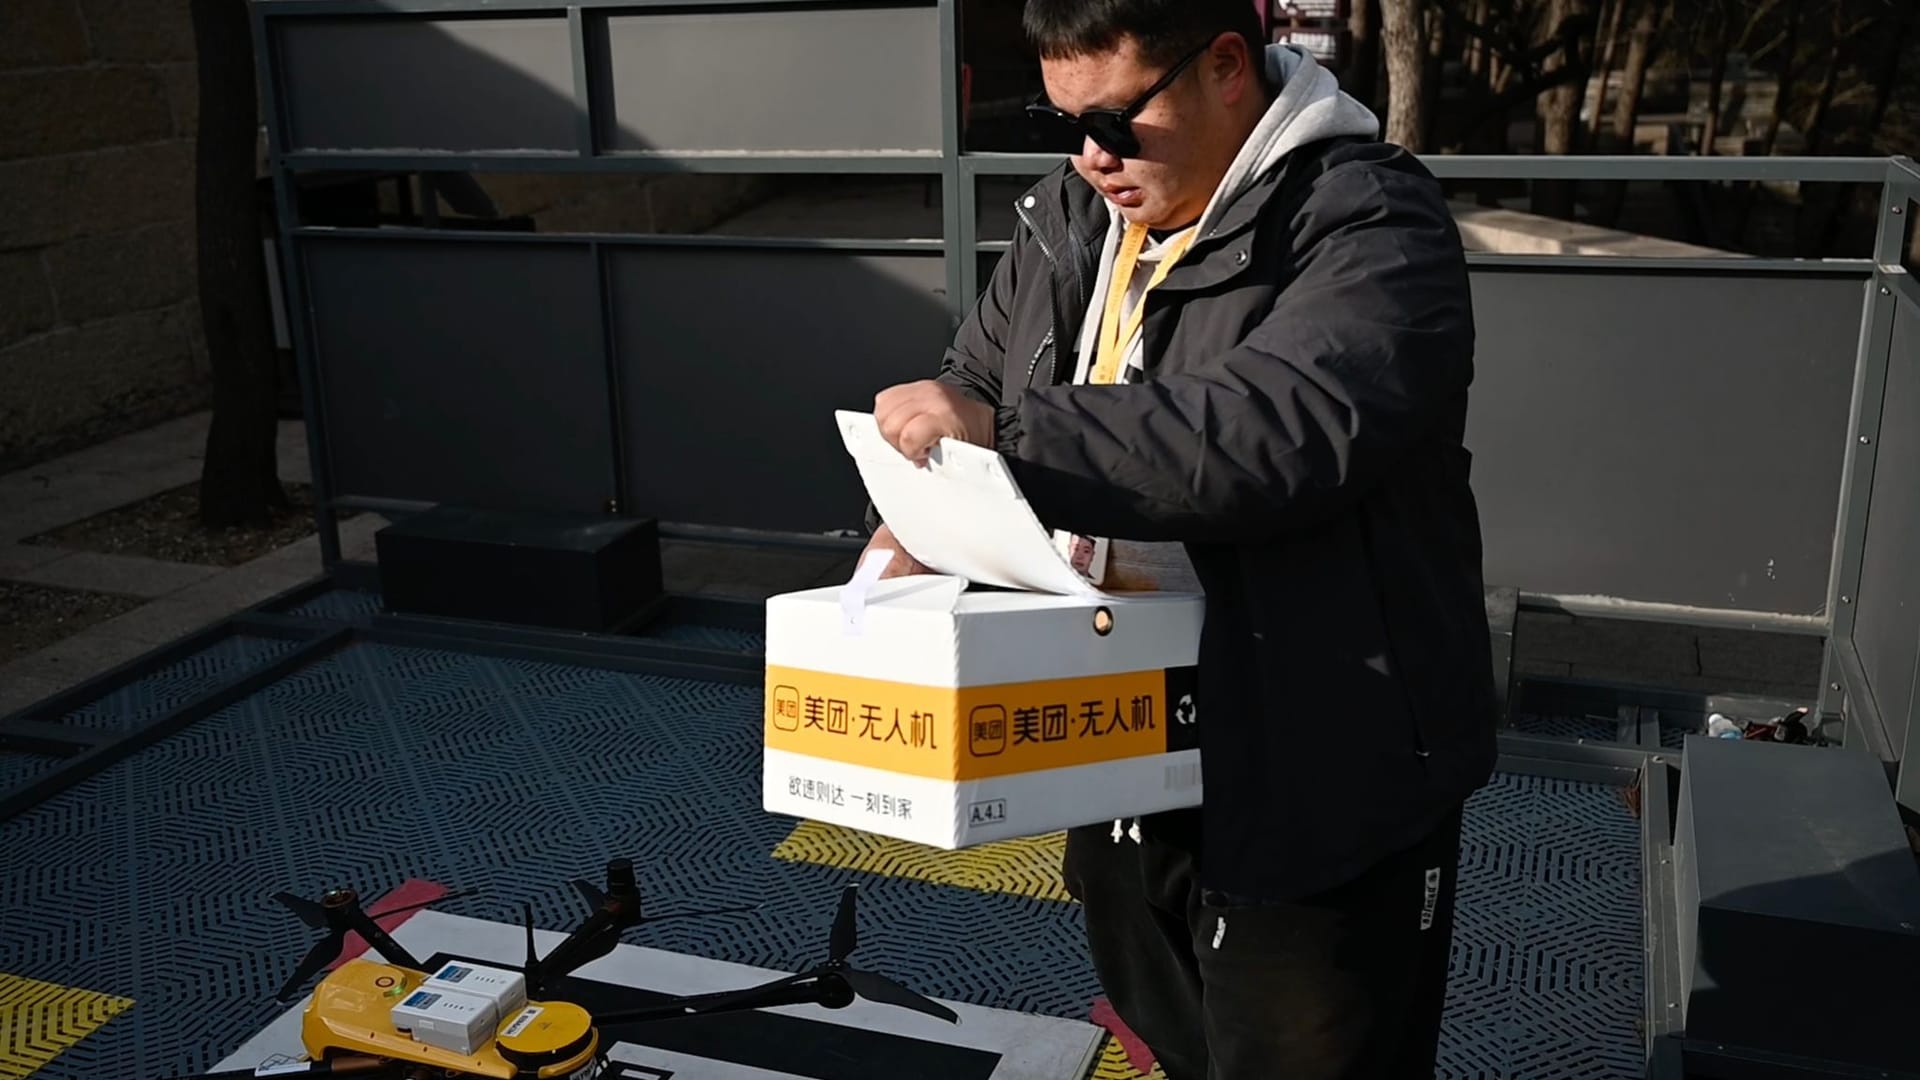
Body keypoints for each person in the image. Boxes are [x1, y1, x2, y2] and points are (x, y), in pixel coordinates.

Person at [862, 1, 1499, 1076]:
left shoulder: (1370, 222)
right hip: (1116, 747)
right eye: (1062, 120)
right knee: (1177, 1034)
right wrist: (922, 506)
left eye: (1117, 118)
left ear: (1226, 68)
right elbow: (979, 374)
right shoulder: (1074, 215)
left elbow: (1274, 432)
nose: (1091, 156)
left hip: (1319, 767)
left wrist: (1008, 437)